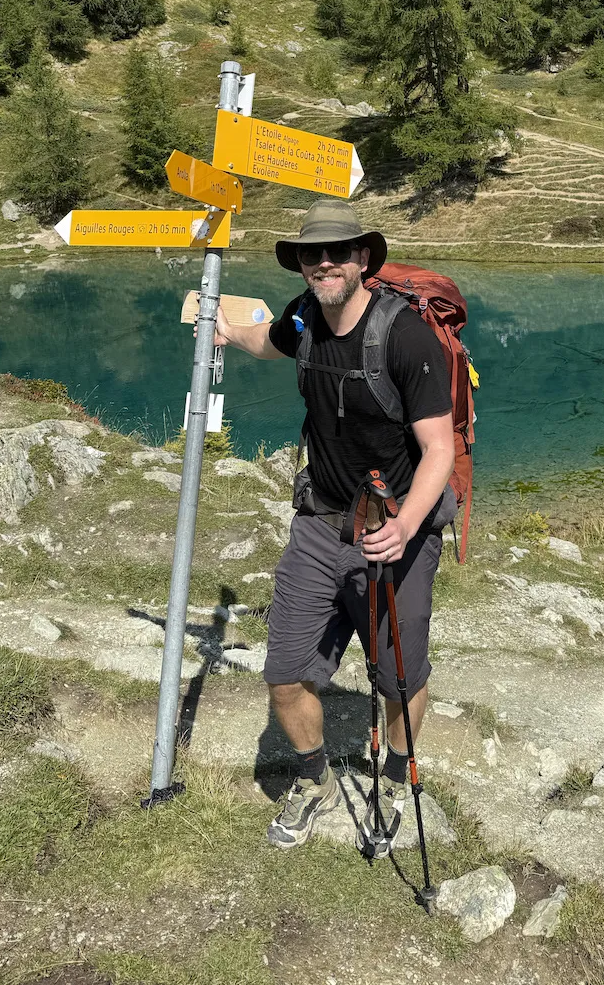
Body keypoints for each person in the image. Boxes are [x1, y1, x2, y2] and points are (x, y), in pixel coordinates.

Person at [212, 200, 456, 850]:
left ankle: (398, 778)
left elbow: (439, 450)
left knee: (398, 680)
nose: (325, 262)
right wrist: (226, 333)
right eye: (312, 253)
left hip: (395, 535)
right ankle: (313, 779)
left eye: (339, 252)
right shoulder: (301, 313)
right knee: (284, 675)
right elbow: (271, 340)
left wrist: (404, 527)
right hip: (319, 526)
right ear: (299, 261)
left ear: (361, 260)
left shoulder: (404, 336)